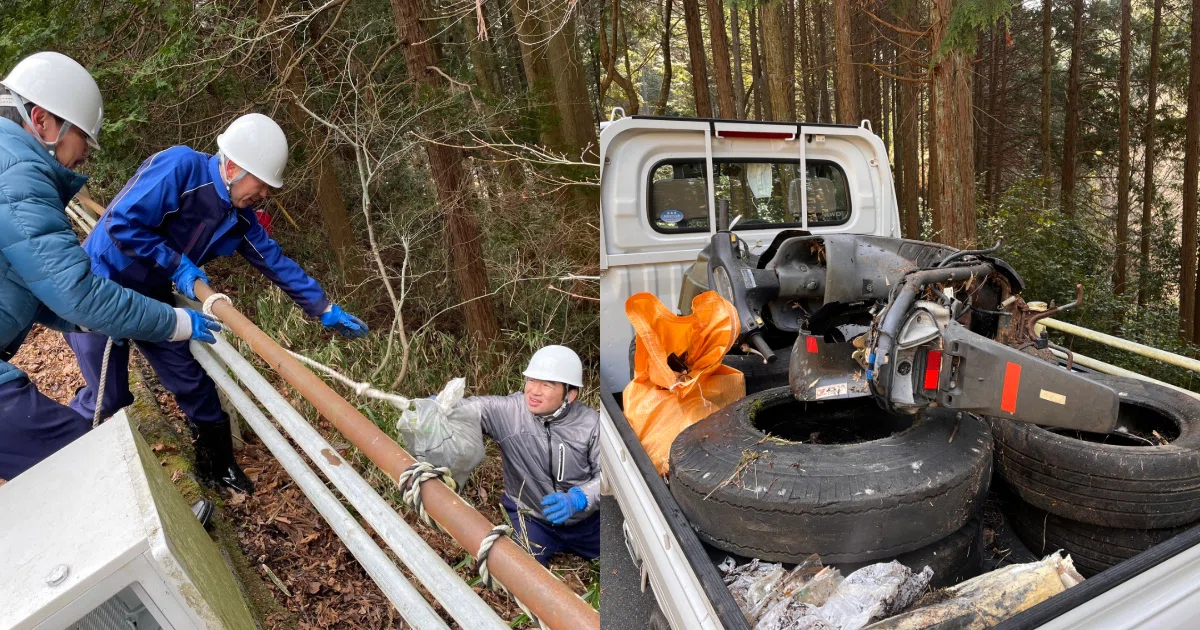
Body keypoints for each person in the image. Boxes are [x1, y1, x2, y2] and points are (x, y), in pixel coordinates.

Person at [66, 112, 368, 495]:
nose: (264, 196)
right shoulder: (181, 167)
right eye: (262, 185)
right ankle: (55, 455)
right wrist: (179, 265)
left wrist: (322, 307)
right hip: (100, 284)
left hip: (153, 294)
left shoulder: (237, 216)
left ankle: (217, 466)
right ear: (234, 166)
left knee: (192, 379)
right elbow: (122, 224)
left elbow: (273, 260)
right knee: (110, 395)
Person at [0, 52, 222, 481]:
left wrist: (87, 324)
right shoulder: (19, 174)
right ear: (43, 120)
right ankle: (163, 541)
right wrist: (172, 321)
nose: (86, 152)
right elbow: (77, 291)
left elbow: (32, 281)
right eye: (83, 136)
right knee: (87, 464)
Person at [458, 345, 600, 565]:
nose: (534, 390)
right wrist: (442, 408)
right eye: (531, 380)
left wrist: (580, 497)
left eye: (547, 384)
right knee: (522, 572)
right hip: (531, 517)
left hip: (585, 522)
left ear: (570, 395)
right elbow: (476, 408)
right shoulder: (509, 411)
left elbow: (610, 477)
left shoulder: (591, 425)